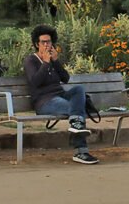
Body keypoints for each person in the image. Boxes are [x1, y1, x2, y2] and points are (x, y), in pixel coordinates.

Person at [23, 24, 98, 165]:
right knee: (76, 110)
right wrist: (46, 63)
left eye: (49, 42)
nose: (47, 45)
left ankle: (76, 125)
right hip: (44, 101)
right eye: (43, 42)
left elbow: (65, 78)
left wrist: (56, 61)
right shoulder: (30, 61)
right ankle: (81, 152)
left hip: (60, 95)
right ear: (37, 44)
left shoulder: (52, 59)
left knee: (79, 90)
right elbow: (35, 82)